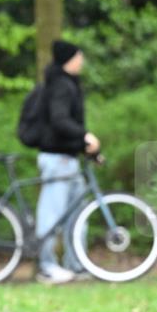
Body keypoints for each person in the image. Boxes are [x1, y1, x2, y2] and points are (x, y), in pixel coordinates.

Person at [33, 40, 100, 285]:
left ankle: (77, 265)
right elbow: (60, 120)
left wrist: (87, 149)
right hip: (57, 159)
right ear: (69, 59)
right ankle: (47, 267)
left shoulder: (67, 83)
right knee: (51, 215)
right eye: (79, 56)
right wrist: (85, 137)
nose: (81, 60)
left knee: (78, 215)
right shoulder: (61, 85)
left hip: (68, 158)